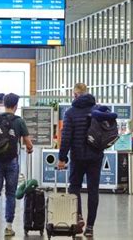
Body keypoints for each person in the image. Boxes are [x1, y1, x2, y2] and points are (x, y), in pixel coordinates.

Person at [0, 93, 34, 237]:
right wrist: (30, 148)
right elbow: (28, 143)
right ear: (16, 106)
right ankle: (9, 226)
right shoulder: (19, 121)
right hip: (12, 162)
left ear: (4, 104)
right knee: (10, 193)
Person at [57, 83, 101, 237]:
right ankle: (90, 227)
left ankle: (78, 216)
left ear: (75, 95)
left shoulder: (70, 112)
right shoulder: (97, 110)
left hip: (77, 156)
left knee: (74, 187)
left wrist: (62, 158)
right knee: (93, 190)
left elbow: (67, 137)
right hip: (95, 156)